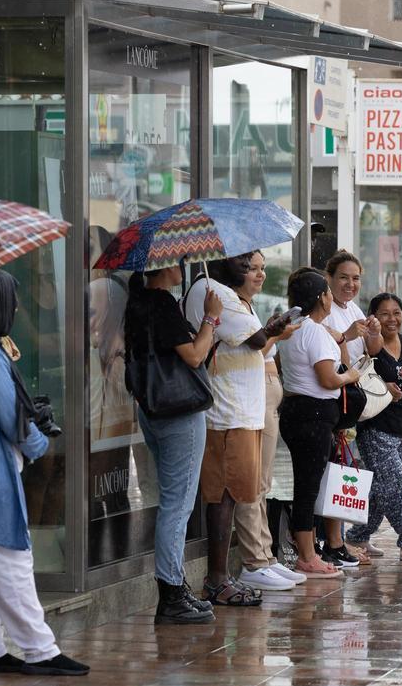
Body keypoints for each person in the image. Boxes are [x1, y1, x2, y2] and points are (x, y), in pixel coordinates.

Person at [0, 271, 88, 676]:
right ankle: (40, 649)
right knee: (10, 563)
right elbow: (11, 415)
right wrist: (41, 445)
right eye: (9, 300)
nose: (16, 308)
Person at [183, 253, 296, 599]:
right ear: (218, 260)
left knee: (235, 494)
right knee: (224, 497)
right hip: (227, 413)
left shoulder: (228, 295)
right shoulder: (213, 291)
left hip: (241, 412)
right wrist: (274, 330)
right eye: (243, 261)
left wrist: (272, 329)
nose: (250, 266)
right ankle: (217, 578)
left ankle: (223, 576)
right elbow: (256, 341)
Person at [124, 261, 221, 623]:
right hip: (180, 413)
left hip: (153, 410)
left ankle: (175, 584)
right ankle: (171, 593)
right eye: (179, 263)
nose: (184, 267)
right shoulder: (162, 304)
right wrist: (211, 319)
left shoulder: (138, 304)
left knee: (171, 501)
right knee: (178, 505)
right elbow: (194, 356)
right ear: (164, 267)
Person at [278, 267, 361, 578]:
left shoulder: (293, 326)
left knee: (307, 484)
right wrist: (350, 376)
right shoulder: (312, 330)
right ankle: (307, 555)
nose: (331, 297)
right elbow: (328, 379)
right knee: (308, 487)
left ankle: (308, 549)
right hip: (312, 415)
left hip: (299, 412)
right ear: (320, 298)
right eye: (327, 291)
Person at [232, 251, 308, 587]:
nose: (260, 275)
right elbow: (253, 351)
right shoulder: (231, 305)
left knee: (262, 484)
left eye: (263, 269)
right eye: (253, 269)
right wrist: (277, 334)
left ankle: (266, 554)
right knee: (251, 484)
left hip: (266, 399)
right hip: (251, 400)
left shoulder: (249, 305)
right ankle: (255, 560)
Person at [345, 293, 402, 563]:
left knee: (382, 488)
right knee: (396, 484)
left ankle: (359, 535)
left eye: (396, 312)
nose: (391, 319)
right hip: (375, 426)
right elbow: (359, 368)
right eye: (384, 313)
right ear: (373, 317)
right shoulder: (371, 343)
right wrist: (385, 386)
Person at [322, 250, 383, 366]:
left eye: (355, 278)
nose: (350, 284)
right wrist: (346, 336)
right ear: (329, 278)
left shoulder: (351, 306)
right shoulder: (321, 308)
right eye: (344, 277)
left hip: (355, 379)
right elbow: (316, 348)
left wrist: (375, 334)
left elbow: (374, 350)